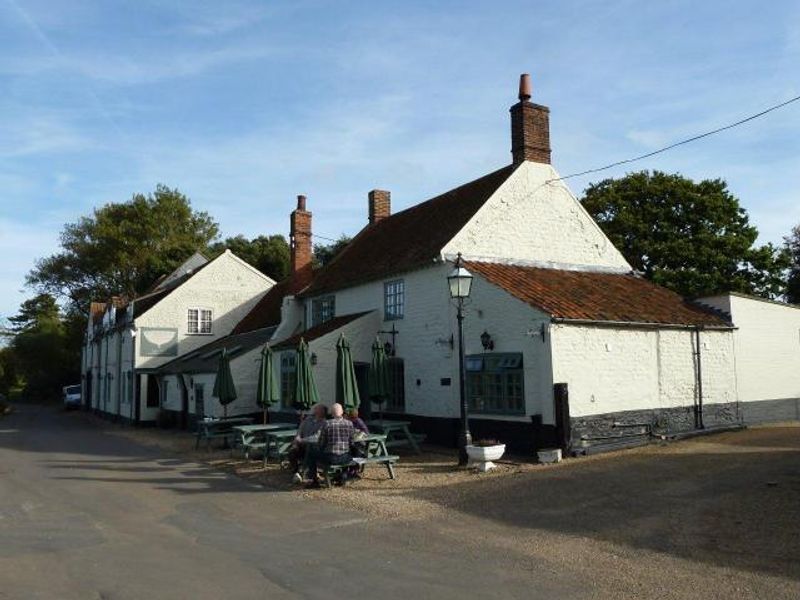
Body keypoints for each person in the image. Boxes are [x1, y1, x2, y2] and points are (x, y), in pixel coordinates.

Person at [305, 403, 355, 488]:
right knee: (350, 454)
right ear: (342, 412)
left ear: (331, 413)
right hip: (345, 457)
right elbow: (351, 442)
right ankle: (343, 477)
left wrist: (321, 448)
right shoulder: (349, 424)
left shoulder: (327, 424)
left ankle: (314, 480)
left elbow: (321, 443)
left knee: (311, 452)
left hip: (330, 457)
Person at [287, 403, 326, 483]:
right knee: (292, 450)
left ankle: (302, 472)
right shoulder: (308, 419)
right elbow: (300, 429)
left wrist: (302, 440)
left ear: (321, 412)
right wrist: (297, 438)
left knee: (309, 451)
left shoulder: (323, 423)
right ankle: (295, 470)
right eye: (315, 409)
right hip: (301, 443)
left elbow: (316, 437)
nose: (314, 410)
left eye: (316, 409)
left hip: (312, 446)